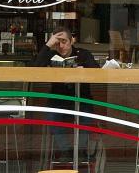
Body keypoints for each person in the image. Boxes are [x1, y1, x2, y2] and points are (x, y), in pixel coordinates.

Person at [31, 27, 100, 164]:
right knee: (52, 117)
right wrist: (48, 45)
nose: (61, 46)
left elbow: (97, 71)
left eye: (64, 41)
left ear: (71, 41)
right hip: (58, 99)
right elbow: (35, 68)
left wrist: (83, 70)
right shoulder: (51, 55)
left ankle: (80, 151)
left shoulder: (83, 54)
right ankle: (66, 150)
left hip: (82, 98)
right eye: (57, 43)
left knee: (86, 117)